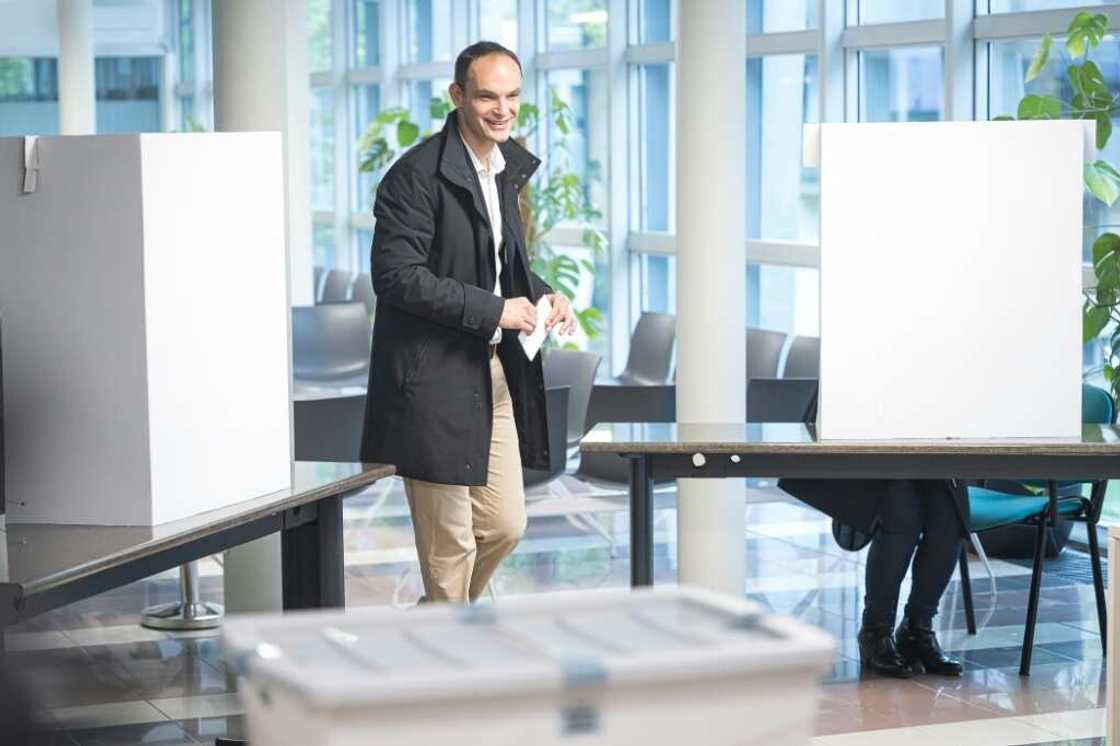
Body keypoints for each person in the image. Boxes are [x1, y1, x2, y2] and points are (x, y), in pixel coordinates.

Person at [360, 41, 576, 604]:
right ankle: (448, 665)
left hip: (494, 376)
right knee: (451, 547)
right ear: (458, 96)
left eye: (512, 97)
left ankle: (438, 624)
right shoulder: (414, 177)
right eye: (487, 96)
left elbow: (499, 267)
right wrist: (494, 311)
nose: (502, 109)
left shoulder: (501, 171)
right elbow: (396, 277)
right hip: (432, 384)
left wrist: (545, 296)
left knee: (506, 526)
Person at [779, 478, 966, 678]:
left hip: (936, 456)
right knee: (902, 521)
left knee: (950, 525)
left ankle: (917, 629)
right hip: (885, 459)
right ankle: (875, 631)